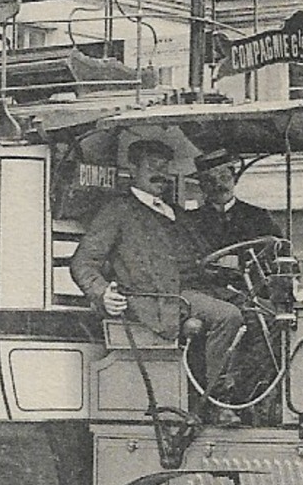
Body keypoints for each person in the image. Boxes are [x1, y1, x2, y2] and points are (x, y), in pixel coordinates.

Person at [70, 139, 248, 396]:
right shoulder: (118, 210)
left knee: (261, 313)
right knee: (228, 316)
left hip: (195, 291)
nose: (161, 175)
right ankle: (217, 399)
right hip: (160, 299)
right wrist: (102, 293)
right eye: (153, 166)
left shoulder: (176, 212)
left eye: (164, 168)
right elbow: (83, 262)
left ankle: (253, 396)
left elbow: (205, 257)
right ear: (133, 170)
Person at [187, 156, 282, 253]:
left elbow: (280, 252)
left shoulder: (259, 216)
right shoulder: (190, 221)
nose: (218, 185)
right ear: (202, 187)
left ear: (235, 179)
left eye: (224, 178)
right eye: (209, 181)